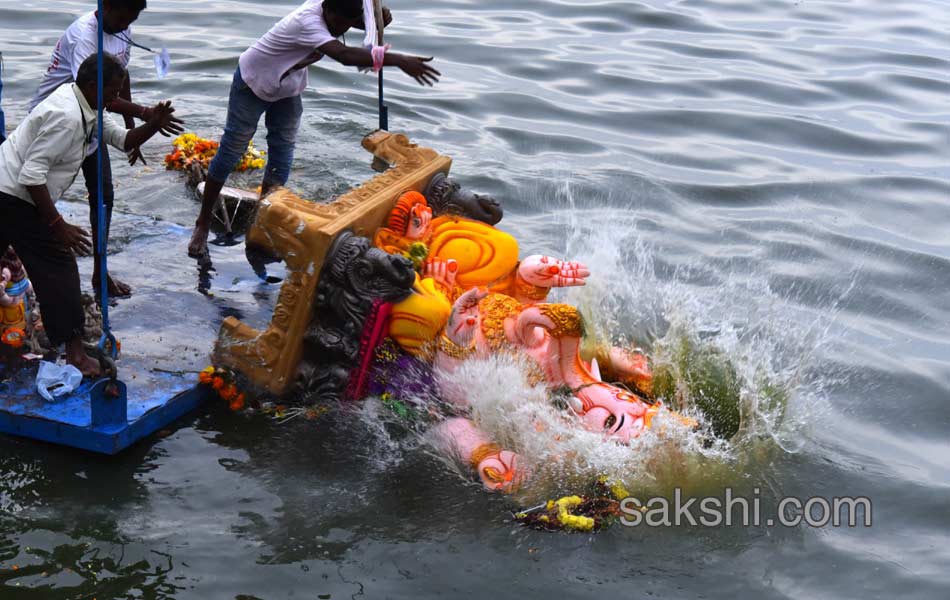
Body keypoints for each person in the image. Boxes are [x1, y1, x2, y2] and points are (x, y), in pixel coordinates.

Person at [187, 0, 441, 258]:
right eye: (337, 22)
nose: (339, 29)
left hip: (287, 85)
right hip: (254, 80)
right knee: (233, 149)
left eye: (346, 24)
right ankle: (203, 223)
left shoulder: (335, 14)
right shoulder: (308, 21)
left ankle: (261, 222)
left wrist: (374, 21)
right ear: (327, 10)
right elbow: (344, 56)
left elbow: (356, 22)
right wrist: (399, 60)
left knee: (282, 155)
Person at [0, 54, 179, 377]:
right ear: (91, 86)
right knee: (60, 265)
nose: (116, 101)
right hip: (12, 194)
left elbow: (123, 140)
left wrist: (152, 124)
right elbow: (31, 176)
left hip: (11, 188)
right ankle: (76, 355)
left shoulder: (90, 107)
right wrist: (58, 225)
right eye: (112, 93)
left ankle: (74, 350)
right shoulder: (67, 116)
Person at [30, 0, 184, 298]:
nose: (129, 23)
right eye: (126, 16)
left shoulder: (122, 29)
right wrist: (144, 112)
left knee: (104, 196)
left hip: (90, 121)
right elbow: (98, 92)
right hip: (55, 124)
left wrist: (131, 130)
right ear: (109, 6)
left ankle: (101, 273)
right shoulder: (85, 36)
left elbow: (118, 80)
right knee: (37, 196)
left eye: (135, 17)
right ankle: (35, 262)